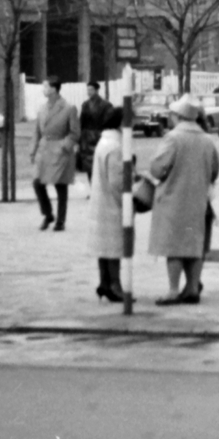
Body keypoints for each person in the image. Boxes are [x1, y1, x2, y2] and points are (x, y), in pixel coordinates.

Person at [149, 92, 219, 305]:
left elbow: (157, 168)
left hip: (173, 200)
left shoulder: (173, 138)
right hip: (199, 201)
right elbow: (215, 171)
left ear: (176, 116)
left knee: (174, 247)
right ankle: (192, 288)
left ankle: (173, 290)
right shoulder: (207, 140)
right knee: (194, 246)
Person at [89, 105, 126, 302]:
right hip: (112, 204)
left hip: (101, 201)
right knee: (114, 245)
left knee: (103, 245)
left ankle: (104, 282)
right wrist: (128, 201)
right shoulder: (116, 146)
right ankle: (114, 285)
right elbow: (117, 181)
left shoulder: (105, 141)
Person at [31, 76, 77, 230]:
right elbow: (37, 131)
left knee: (60, 186)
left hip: (59, 151)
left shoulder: (68, 108)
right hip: (44, 151)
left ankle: (61, 221)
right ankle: (48, 214)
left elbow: (75, 132)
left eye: (46, 87)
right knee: (37, 183)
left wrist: (65, 145)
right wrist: (33, 150)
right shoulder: (42, 108)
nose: (43, 90)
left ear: (54, 89)